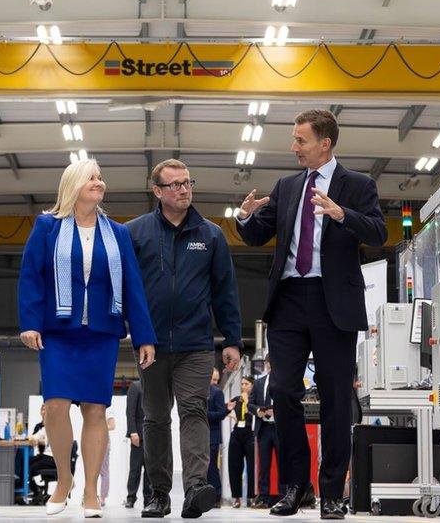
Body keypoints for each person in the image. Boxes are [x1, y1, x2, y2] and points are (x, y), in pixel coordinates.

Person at [236, 109, 387, 519]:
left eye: (300, 140)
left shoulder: (357, 185)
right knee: (284, 390)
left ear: (325, 143)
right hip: (288, 299)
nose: (294, 147)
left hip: (333, 301)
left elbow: (378, 232)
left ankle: (333, 493)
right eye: (294, 138)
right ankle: (294, 488)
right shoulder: (287, 187)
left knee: (337, 396)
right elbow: (255, 235)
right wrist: (245, 216)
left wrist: (341, 214)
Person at [18, 159, 157, 518]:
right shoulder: (47, 226)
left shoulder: (118, 233)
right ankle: (64, 480)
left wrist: (144, 335)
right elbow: (31, 276)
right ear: (74, 185)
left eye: (100, 177)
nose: (100, 182)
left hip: (101, 331)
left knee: (96, 409)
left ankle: (91, 490)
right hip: (57, 332)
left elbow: (133, 288)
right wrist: (29, 323)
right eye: (92, 178)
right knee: (56, 405)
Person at [126, 158, 242, 519]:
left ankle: (194, 488)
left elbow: (225, 292)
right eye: (174, 184)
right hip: (151, 344)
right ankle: (158, 493)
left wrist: (233, 340)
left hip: (195, 343)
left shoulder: (211, 235)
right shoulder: (135, 232)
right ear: (157, 191)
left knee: (193, 411)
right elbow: (127, 289)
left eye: (187, 182)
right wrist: (133, 331)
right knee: (156, 417)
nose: (183, 189)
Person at [248, 357, 280, 508]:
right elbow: (250, 404)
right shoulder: (259, 383)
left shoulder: (284, 381)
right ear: (267, 365)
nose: (271, 366)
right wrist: (258, 411)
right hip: (264, 429)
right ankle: (263, 497)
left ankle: (284, 495)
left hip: (281, 428)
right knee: (264, 465)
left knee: (283, 463)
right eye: (269, 364)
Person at [227, 376, 256, 508]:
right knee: (234, 466)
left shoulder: (254, 399)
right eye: (242, 384)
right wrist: (230, 413)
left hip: (250, 433)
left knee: (251, 467)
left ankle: (251, 497)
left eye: (247, 384)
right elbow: (226, 408)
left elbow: (256, 412)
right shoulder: (236, 399)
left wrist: (248, 401)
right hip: (237, 432)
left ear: (252, 386)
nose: (244, 386)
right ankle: (236, 497)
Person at [124, 380, 152, 508]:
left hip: (153, 435)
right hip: (138, 436)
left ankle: (149, 498)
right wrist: (132, 431)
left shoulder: (155, 385)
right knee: (135, 468)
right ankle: (131, 497)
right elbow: (130, 412)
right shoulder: (136, 386)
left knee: (150, 470)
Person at [206, 368, 227, 507]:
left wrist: (204, 414)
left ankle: (216, 497)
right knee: (202, 468)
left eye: (216, 380)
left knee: (212, 467)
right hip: (200, 435)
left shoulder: (217, 392)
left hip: (213, 436)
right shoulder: (199, 392)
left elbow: (221, 413)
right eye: (213, 379)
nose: (215, 382)